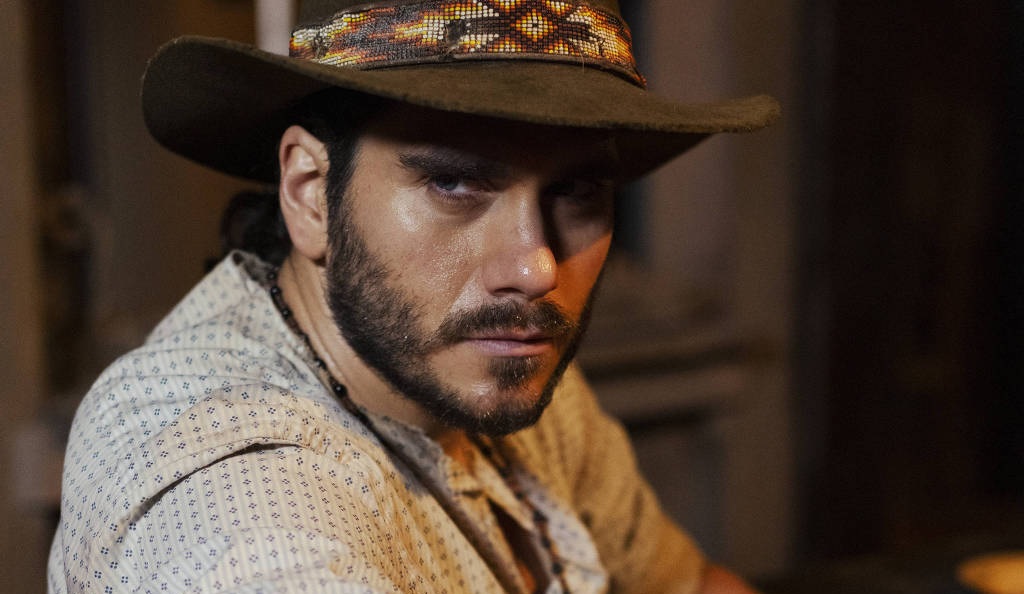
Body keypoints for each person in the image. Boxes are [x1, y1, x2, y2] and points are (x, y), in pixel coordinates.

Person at [47, 1, 779, 592]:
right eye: (454, 183)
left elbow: (684, 583)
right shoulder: (232, 482)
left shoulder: (499, 363)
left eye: (578, 191)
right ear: (310, 192)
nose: (535, 270)